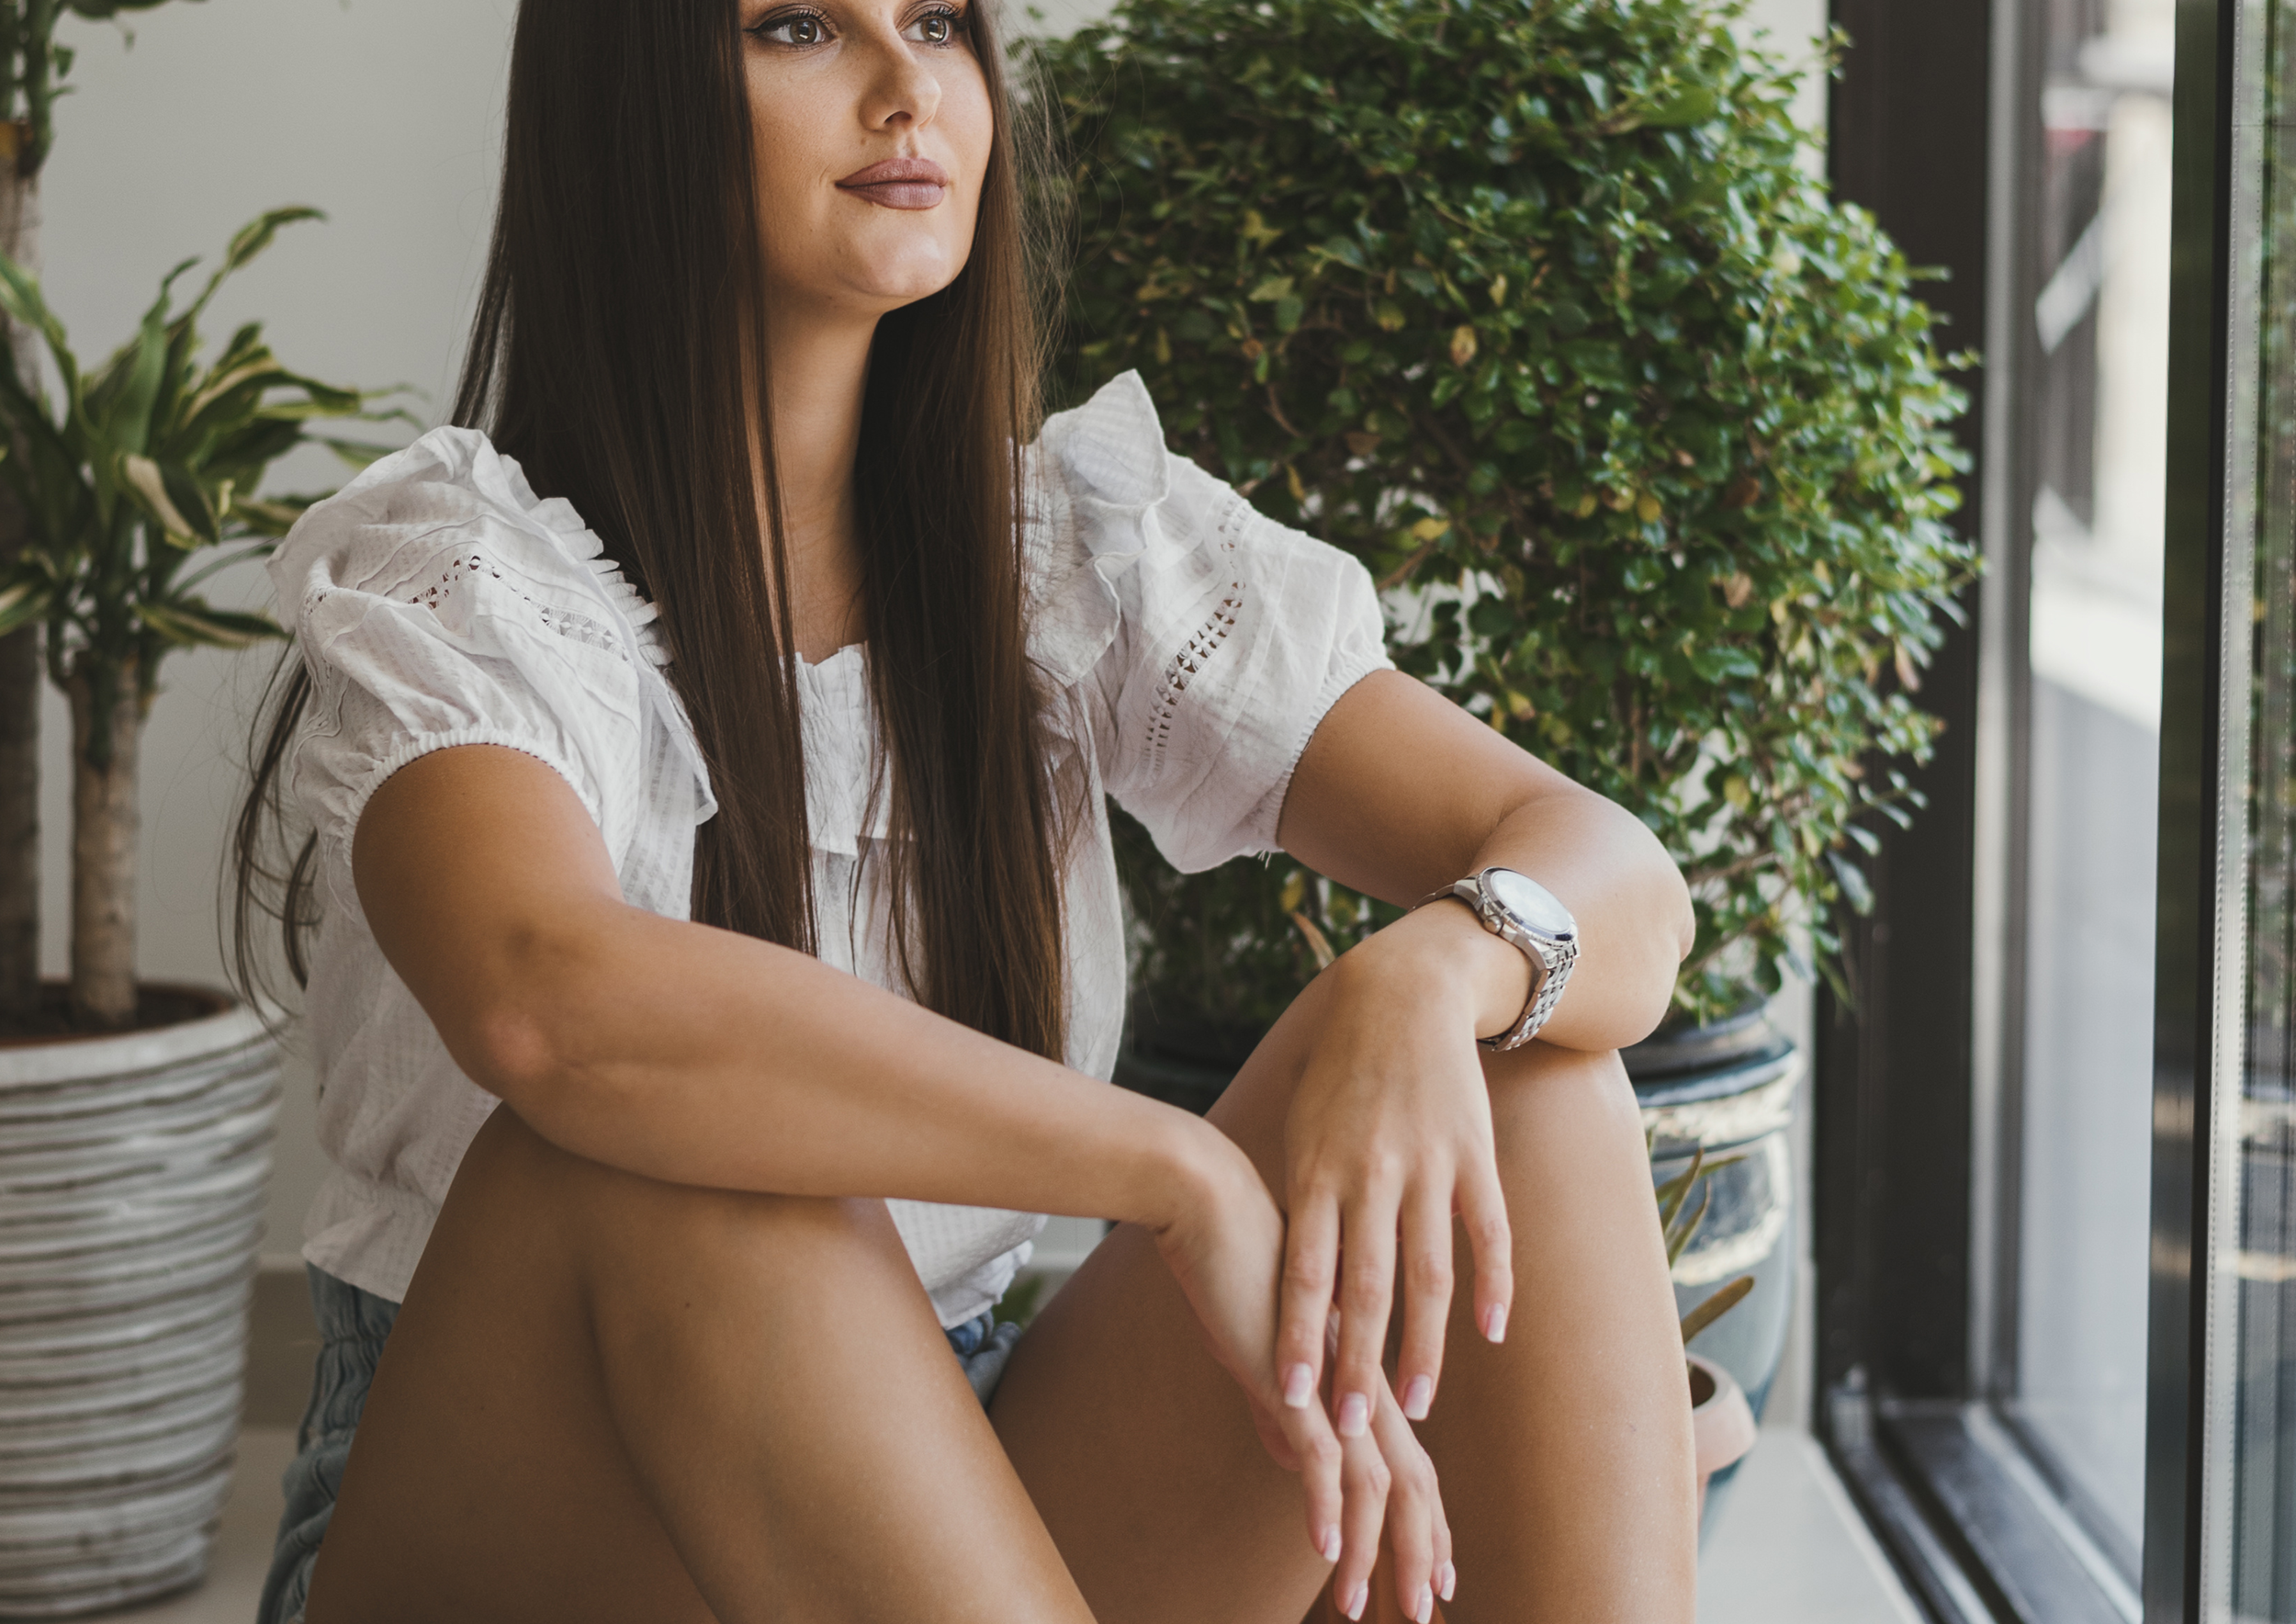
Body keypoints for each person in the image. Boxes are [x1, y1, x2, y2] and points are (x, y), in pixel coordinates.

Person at [231, 1, 1701, 1619]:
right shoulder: (463, 576)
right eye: (799, 26)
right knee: (686, 1154)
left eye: (939, 20)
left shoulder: (1069, 554)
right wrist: (1179, 1170)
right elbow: (553, 1006)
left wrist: (1427, 978)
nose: (906, 84)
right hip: (541, 1514)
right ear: (630, 96)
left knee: (1529, 1068)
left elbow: (1619, 880)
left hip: (959, 1491)